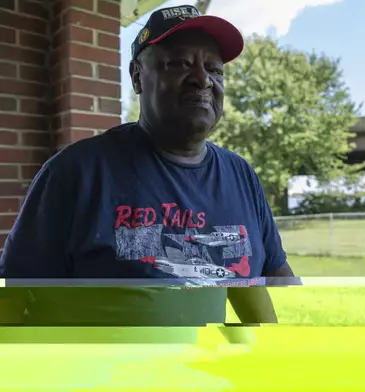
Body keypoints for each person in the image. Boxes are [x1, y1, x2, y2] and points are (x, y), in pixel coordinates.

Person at [0, 5, 296, 331]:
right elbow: (12, 299)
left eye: (215, 70)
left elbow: (248, 280)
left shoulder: (240, 175)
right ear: (137, 76)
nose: (202, 80)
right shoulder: (74, 174)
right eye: (181, 63)